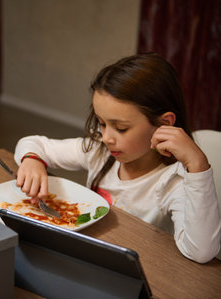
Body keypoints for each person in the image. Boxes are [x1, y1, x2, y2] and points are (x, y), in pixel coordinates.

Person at [14, 53, 220, 263]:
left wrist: (198, 165)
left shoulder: (172, 182)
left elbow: (201, 251)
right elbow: (33, 143)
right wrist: (32, 160)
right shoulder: (99, 151)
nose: (106, 137)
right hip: (88, 256)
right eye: (102, 123)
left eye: (121, 128)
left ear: (164, 124)